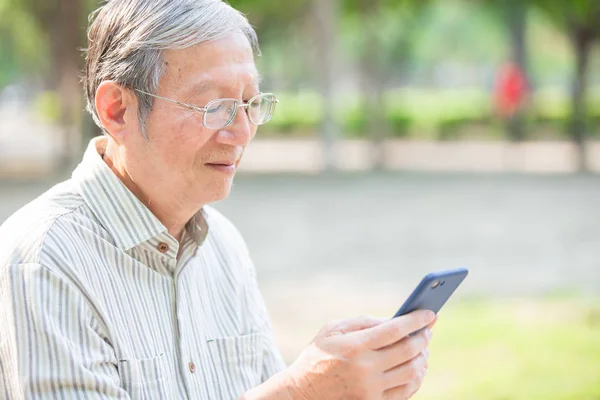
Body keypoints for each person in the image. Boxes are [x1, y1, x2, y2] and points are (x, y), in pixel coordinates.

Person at [0, 1, 436, 399]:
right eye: (214, 106)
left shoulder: (223, 247)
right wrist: (300, 390)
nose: (242, 132)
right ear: (117, 109)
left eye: (250, 103)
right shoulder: (44, 258)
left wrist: (344, 386)